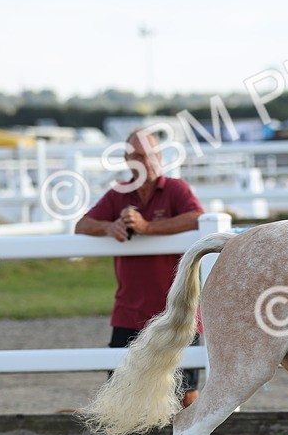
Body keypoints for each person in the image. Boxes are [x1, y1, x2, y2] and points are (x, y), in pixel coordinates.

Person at [74, 130, 205, 407]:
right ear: (125, 159)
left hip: (177, 308)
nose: (141, 162)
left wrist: (147, 228)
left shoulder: (175, 189)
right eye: (134, 156)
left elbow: (197, 218)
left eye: (146, 156)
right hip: (129, 309)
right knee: (118, 387)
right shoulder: (117, 195)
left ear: (158, 158)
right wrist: (109, 227)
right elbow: (82, 225)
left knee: (186, 392)